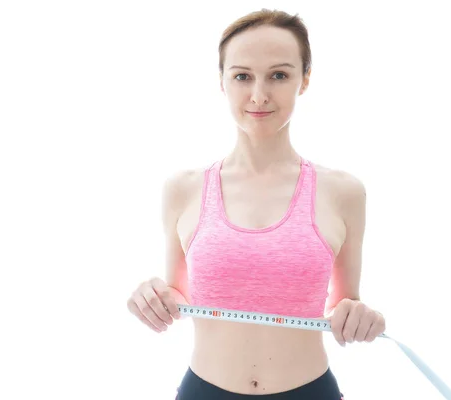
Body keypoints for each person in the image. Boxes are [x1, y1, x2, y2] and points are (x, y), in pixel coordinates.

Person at [126, 9, 386, 400]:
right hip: (205, 390)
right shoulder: (183, 189)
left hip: (309, 391)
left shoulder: (343, 192)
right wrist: (154, 298)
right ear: (222, 82)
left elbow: (343, 305)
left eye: (279, 75)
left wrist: (361, 316)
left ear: (305, 79)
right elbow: (181, 295)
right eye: (242, 76)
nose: (259, 95)